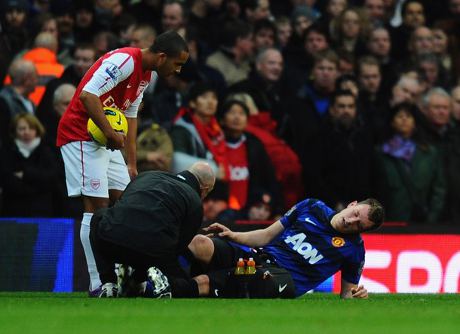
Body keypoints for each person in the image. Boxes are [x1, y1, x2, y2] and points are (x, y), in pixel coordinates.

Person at [56, 30, 189, 293]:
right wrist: (108, 132)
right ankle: (98, 282)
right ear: (162, 57)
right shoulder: (124, 61)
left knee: (124, 203)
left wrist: (131, 162)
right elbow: (87, 95)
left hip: (108, 140)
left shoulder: (147, 74)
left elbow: (130, 116)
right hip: (80, 135)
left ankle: (129, 274)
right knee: (97, 206)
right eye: (177, 64)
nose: (179, 71)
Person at [186, 197, 384, 299]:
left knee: (206, 281)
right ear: (352, 204)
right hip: (257, 259)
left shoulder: (354, 251)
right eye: (355, 213)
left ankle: (166, 288)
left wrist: (358, 295)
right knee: (200, 243)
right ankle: (162, 272)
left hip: (275, 278)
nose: (351, 221)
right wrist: (233, 235)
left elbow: (347, 294)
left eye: (359, 225)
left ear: (363, 231)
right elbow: (266, 235)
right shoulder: (311, 206)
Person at [88, 161, 216, 297]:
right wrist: (142, 274)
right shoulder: (194, 201)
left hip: (113, 237)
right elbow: (177, 247)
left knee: (98, 217)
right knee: (185, 285)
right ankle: (159, 282)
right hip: (153, 249)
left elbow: (122, 206)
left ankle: (109, 284)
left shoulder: (146, 176)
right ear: (204, 189)